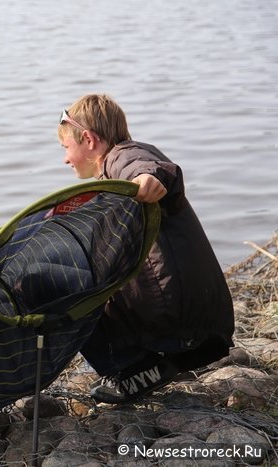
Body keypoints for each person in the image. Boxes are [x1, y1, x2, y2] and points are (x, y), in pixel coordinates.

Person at [56, 94, 235, 404]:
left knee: (59, 290)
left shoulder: (123, 157)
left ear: (87, 139)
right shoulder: (112, 173)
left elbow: (150, 168)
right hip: (202, 320)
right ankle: (155, 363)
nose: (65, 159)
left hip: (178, 322)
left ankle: (131, 367)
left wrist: (147, 179)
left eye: (65, 148)